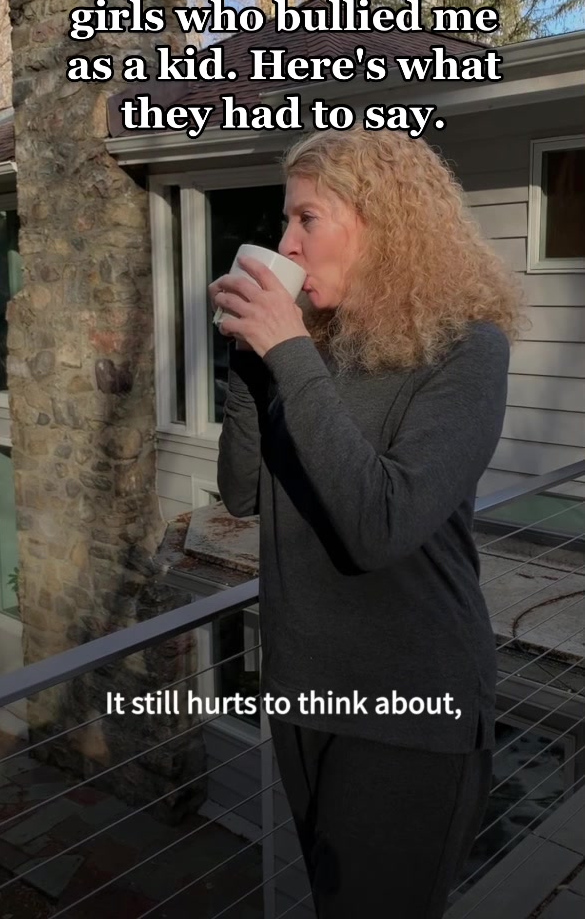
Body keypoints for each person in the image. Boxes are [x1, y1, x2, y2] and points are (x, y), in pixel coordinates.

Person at [209, 126, 528, 918]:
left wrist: (286, 354)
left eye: (306, 219)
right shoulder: (313, 348)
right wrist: (249, 364)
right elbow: (242, 492)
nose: (285, 242)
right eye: (285, 220)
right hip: (303, 690)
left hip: (409, 708)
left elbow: (382, 523)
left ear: (382, 226)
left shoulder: (468, 351)